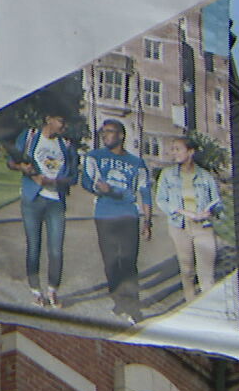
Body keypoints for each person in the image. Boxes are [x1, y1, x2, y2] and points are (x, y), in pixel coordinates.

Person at [81, 119, 151, 321]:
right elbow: (85, 181)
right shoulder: (95, 156)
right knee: (111, 262)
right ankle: (119, 299)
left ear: (121, 135)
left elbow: (145, 190)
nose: (104, 136)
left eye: (109, 132)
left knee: (128, 262)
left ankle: (133, 308)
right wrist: (98, 188)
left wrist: (147, 220)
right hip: (104, 214)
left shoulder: (136, 162)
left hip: (128, 215)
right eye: (103, 132)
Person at [8, 111, 76, 307]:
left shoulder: (67, 145)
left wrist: (53, 181)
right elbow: (11, 162)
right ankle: (36, 290)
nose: (64, 127)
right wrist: (24, 169)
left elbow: (73, 177)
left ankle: (53, 290)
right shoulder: (29, 136)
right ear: (49, 119)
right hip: (33, 199)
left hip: (56, 201)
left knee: (56, 249)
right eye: (61, 120)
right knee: (34, 247)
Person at [154, 135, 221, 300]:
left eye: (177, 149)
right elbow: (161, 199)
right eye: (172, 150)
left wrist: (211, 212)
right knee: (187, 270)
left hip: (203, 228)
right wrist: (183, 212)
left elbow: (218, 203)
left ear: (190, 152)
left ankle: (209, 307)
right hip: (179, 227)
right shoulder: (167, 175)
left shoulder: (206, 177)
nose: (173, 153)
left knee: (206, 274)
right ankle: (190, 302)